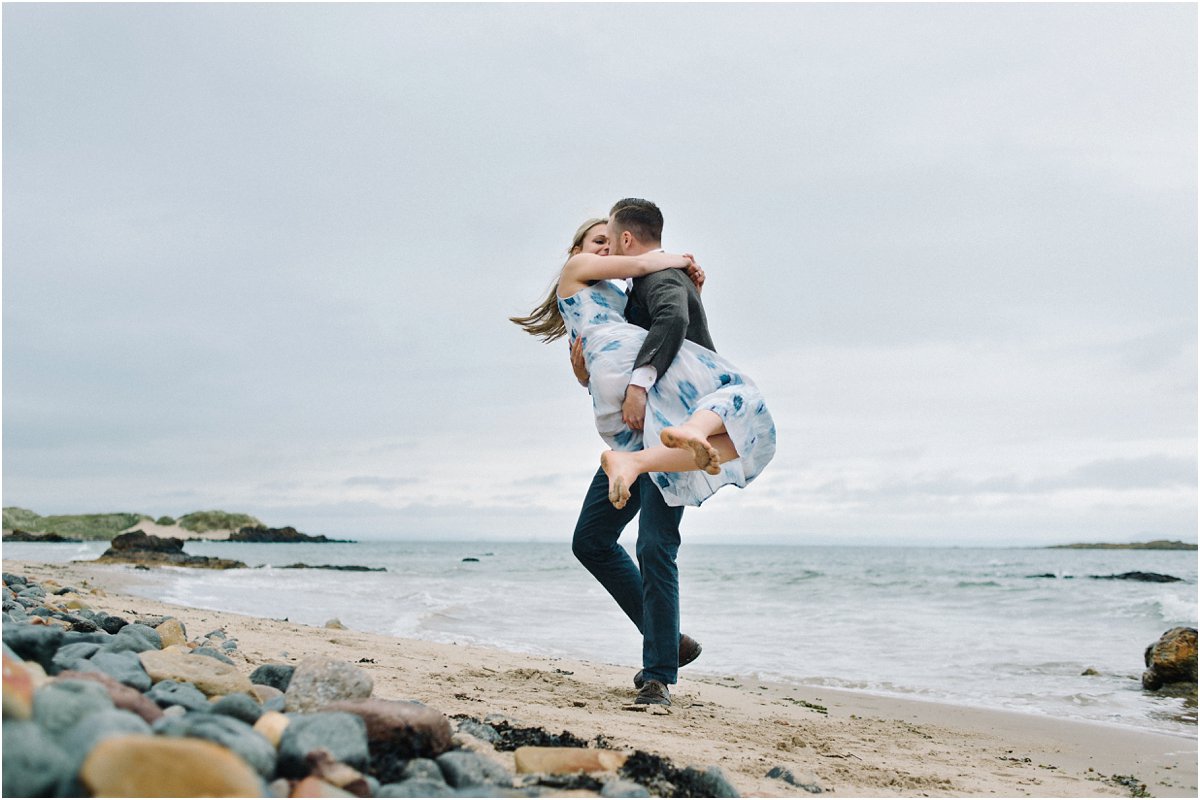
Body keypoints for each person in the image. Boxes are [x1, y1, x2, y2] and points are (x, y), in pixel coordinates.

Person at [511, 199, 776, 705]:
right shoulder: (590, 273)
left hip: (649, 415)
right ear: (579, 251)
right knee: (593, 540)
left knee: (655, 544)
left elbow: (666, 314)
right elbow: (638, 274)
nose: (606, 249)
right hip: (631, 418)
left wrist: (688, 283)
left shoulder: (624, 294)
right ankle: (668, 642)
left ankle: (658, 670)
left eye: (610, 241)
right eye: (598, 244)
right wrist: (677, 259)